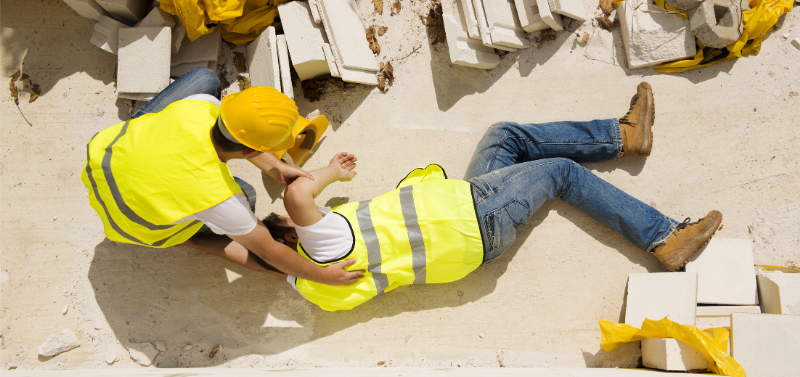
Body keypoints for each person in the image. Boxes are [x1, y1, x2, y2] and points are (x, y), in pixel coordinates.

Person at [264, 83, 722, 311]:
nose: (316, 213)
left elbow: (256, 256)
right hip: (476, 215)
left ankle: (624, 135)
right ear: (291, 238)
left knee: (504, 136)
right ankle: (664, 238)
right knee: (561, 173)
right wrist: (331, 172)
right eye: (294, 224)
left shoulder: (312, 288)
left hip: (468, 222)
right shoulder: (323, 244)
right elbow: (299, 194)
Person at [80, 66, 363, 287]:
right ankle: (183, 235)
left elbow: (237, 137)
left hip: (103, 159)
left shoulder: (200, 106)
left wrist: (276, 167)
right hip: (132, 224)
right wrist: (324, 276)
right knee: (248, 196)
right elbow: (269, 253)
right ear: (253, 149)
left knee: (205, 78)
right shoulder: (222, 199)